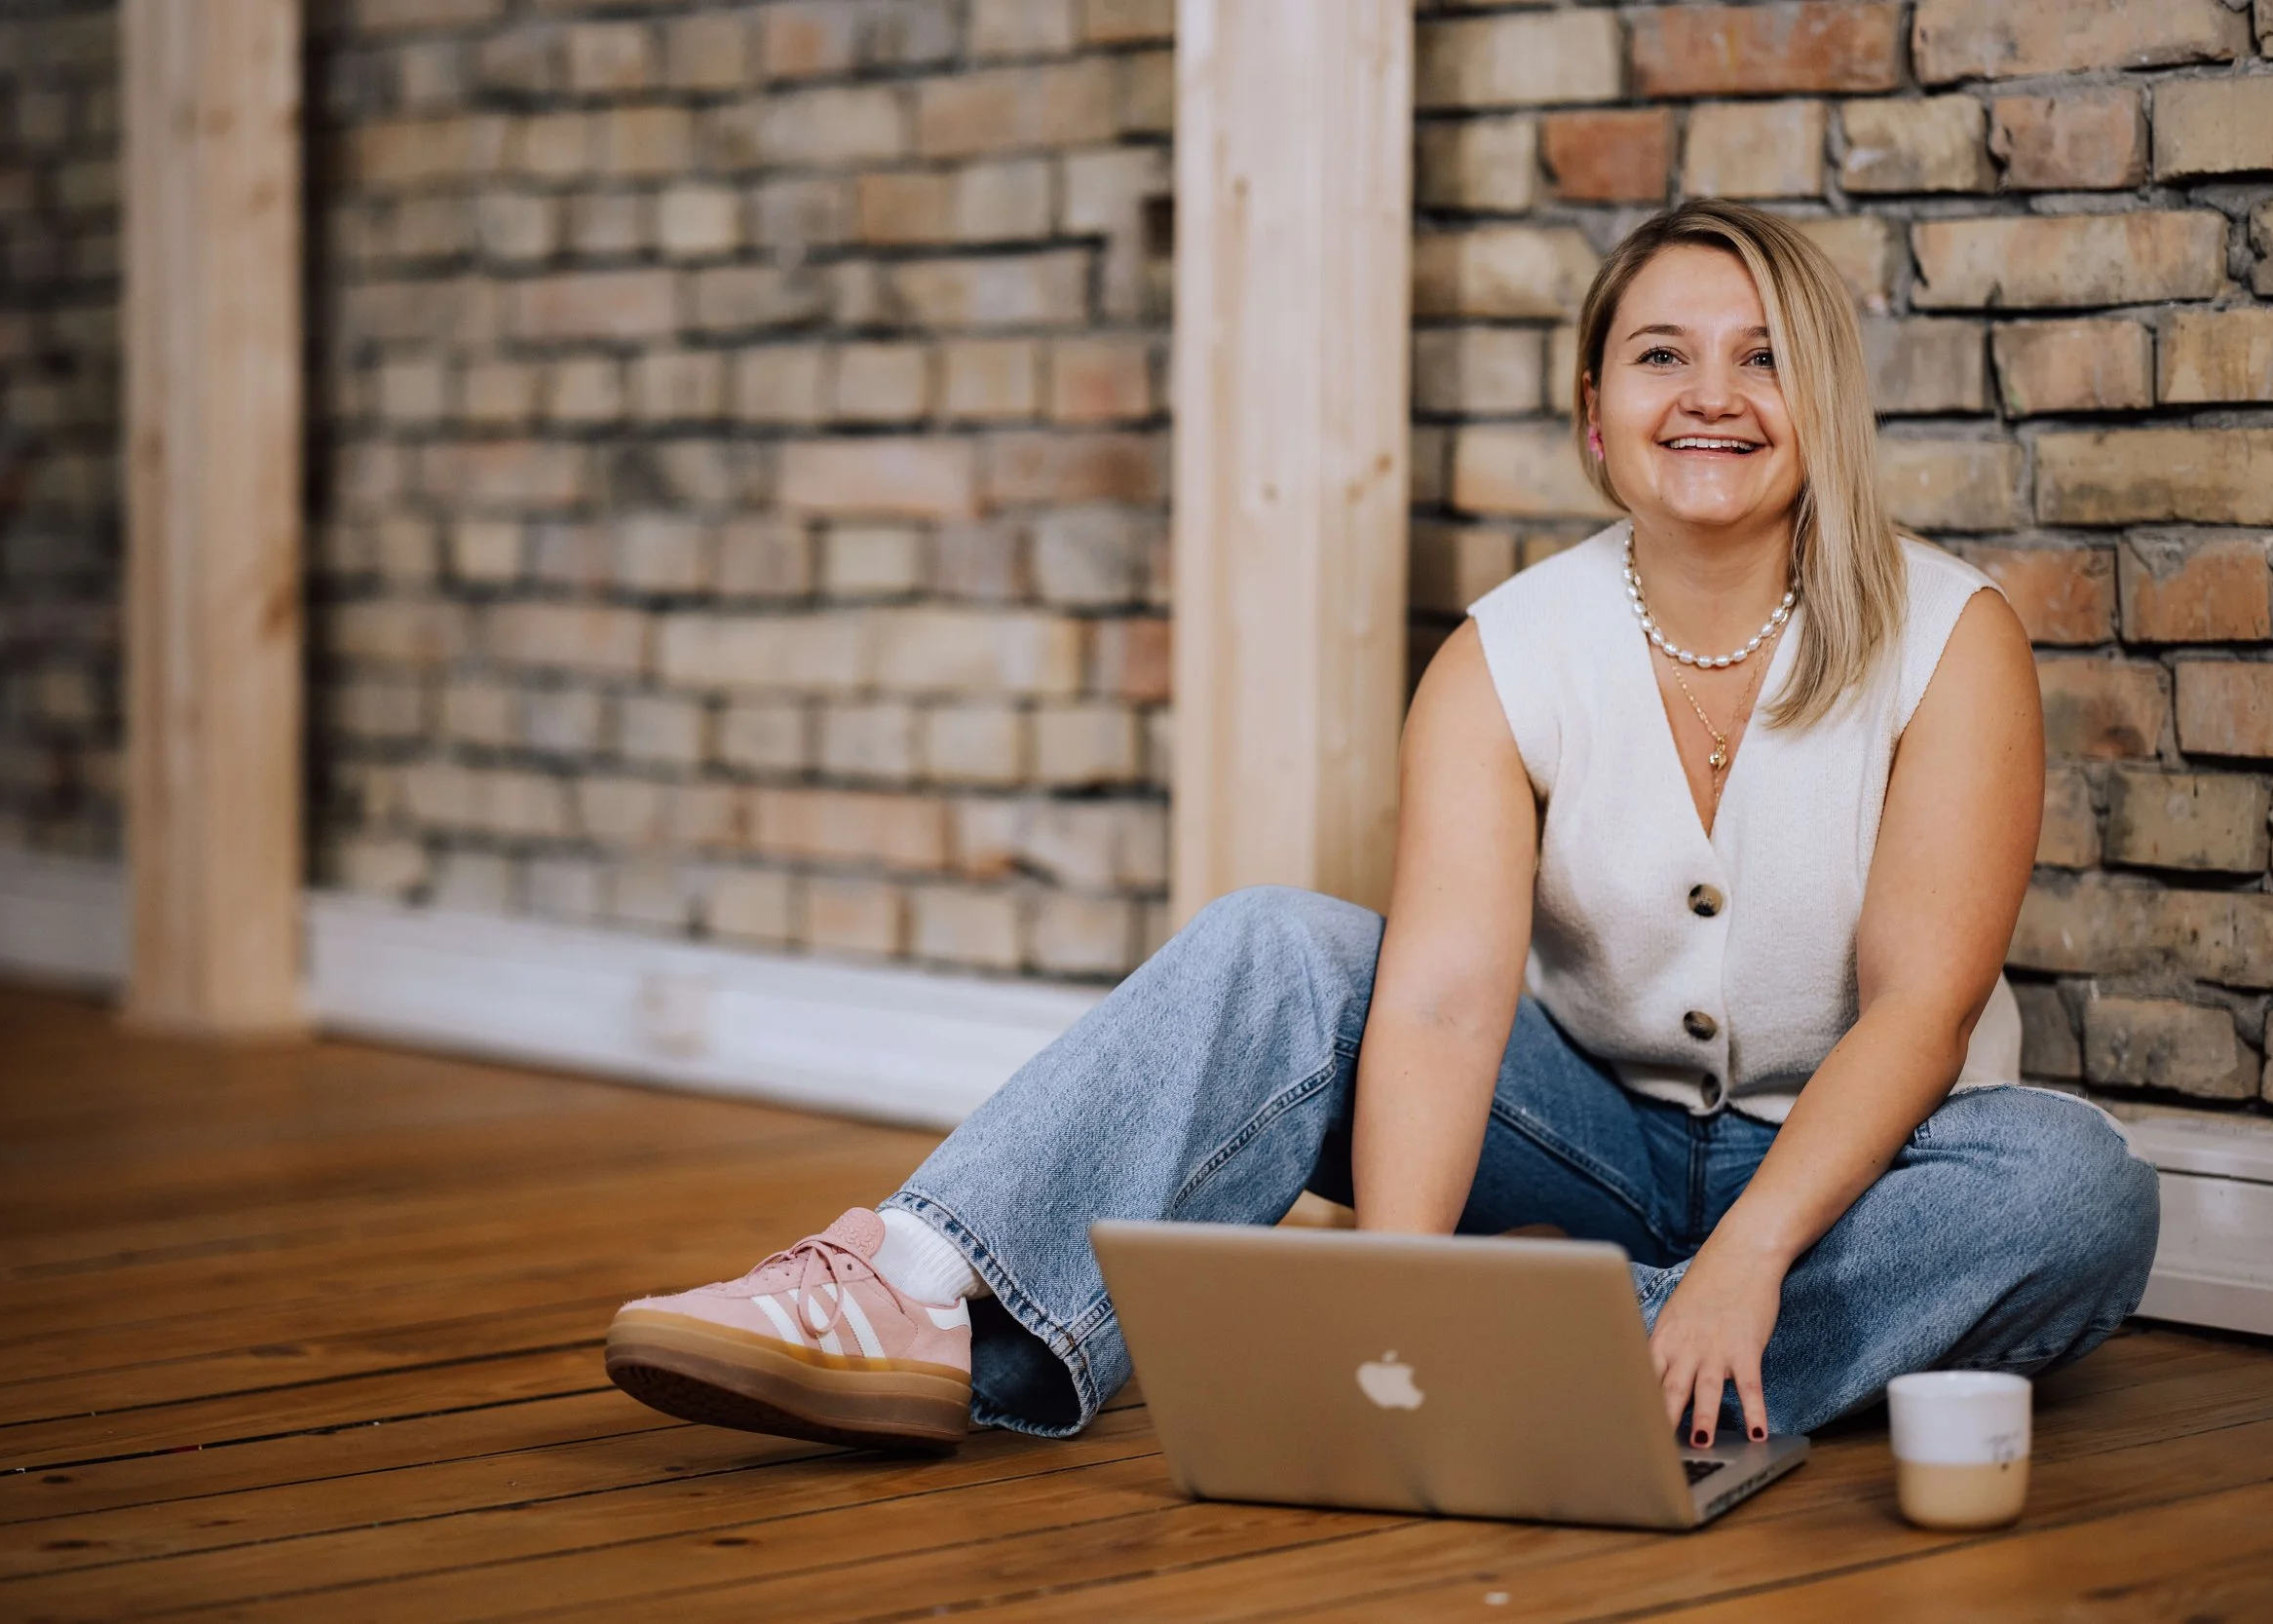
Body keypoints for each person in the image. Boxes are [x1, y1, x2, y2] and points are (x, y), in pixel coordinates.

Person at [602, 199, 2161, 1456]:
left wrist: (1750, 1258)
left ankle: (1612, 1351)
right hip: (1583, 1132)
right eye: (1662, 357)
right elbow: (1435, 996)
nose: (1711, 396)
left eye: (1763, 360)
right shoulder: (1505, 652)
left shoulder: (1953, 640)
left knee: (2078, 1185)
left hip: (1869, 1169)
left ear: (1824, 404)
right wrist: (1390, 1306)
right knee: (1282, 941)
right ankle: (927, 1285)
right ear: (1596, 416)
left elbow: (1922, 1011)